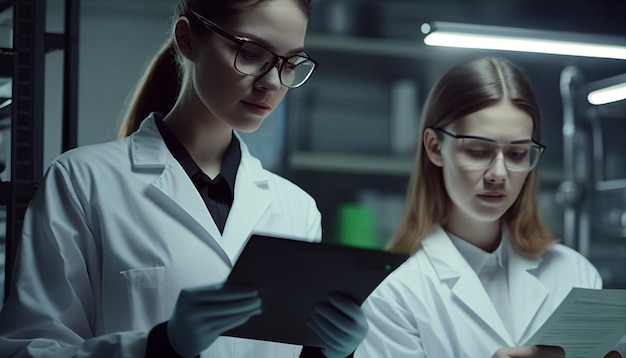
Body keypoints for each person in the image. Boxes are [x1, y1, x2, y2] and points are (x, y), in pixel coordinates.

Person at [0, 0, 368, 357]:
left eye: (290, 64)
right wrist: (162, 346)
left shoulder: (297, 209)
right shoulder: (83, 181)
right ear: (188, 39)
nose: (272, 82)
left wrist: (328, 353)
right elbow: (31, 349)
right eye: (252, 53)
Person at [353, 57, 623, 358]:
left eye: (518, 153)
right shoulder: (394, 290)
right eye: (479, 150)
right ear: (434, 147)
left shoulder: (573, 273)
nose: (498, 173)